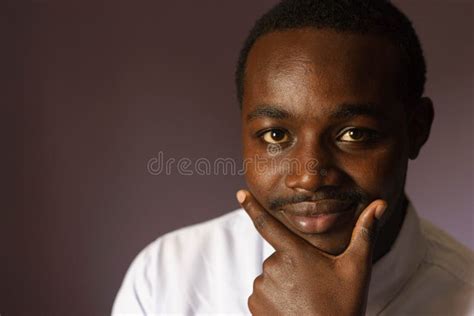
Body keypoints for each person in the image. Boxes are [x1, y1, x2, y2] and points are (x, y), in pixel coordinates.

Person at [111, 0, 474, 315]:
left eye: (354, 134)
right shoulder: (166, 276)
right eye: (276, 135)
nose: (310, 177)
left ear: (417, 129)